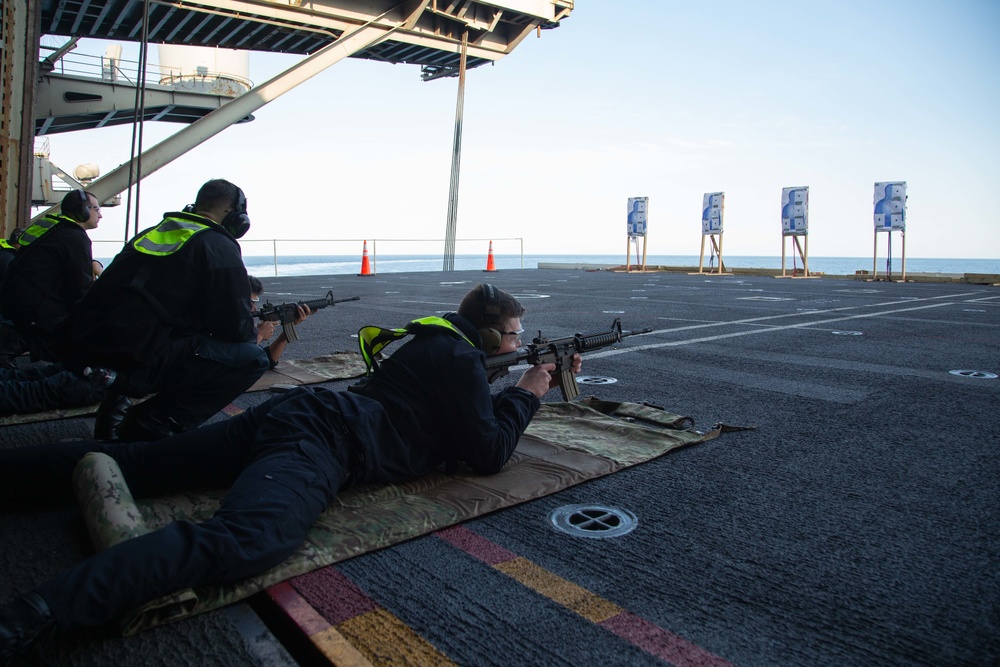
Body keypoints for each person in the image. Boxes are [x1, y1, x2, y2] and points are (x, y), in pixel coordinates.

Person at [0, 284, 581, 662]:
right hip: (324, 439)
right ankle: (37, 615)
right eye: (512, 335)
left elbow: (456, 395)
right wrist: (530, 392)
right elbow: (488, 452)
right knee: (251, 538)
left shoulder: (436, 342)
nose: (519, 343)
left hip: (298, 414)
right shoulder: (460, 359)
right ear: (486, 335)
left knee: (140, 464)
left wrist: (512, 380)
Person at [53, 179, 270, 441]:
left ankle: (110, 425)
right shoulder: (218, 245)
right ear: (234, 215)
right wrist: (258, 334)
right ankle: (149, 427)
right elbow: (237, 328)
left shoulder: (153, 233)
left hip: (89, 345)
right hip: (138, 356)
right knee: (252, 358)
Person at [0, 277, 303, 419]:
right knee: (32, 392)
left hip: (102, 361)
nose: (252, 307)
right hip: (111, 377)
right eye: (249, 301)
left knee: (32, 379)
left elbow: (264, 363)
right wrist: (258, 336)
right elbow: (241, 359)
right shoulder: (208, 326)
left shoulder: (218, 322)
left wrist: (286, 331)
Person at [0, 192, 100, 365]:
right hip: (37, 317)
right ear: (82, 210)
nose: (100, 214)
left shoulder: (53, 228)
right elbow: (80, 290)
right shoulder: (75, 237)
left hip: (17, 307)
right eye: (96, 208)